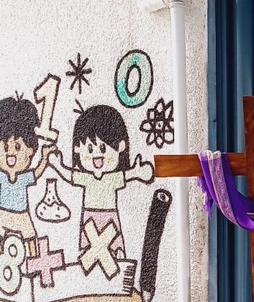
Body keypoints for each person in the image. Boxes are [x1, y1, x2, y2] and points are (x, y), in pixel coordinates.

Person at [50, 104, 153, 261]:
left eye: (104, 148)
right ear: (78, 149)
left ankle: (118, 254)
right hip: (89, 216)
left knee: (114, 245)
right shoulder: (87, 178)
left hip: (110, 216)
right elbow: (70, 175)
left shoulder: (112, 178)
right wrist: (57, 165)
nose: (97, 156)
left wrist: (138, 172)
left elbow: (128, 175)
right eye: (90, 149)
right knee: (88, 250)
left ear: (120, 147)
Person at [0, 94, 56, 259]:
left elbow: (36, 173)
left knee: (30, 235)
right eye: (5, 147)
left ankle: (34, 262)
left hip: (21, 215)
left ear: (30, 151)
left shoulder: (23, 177)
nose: (10, 154)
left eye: (18, 147)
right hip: (2, 212)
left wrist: (44, 158)